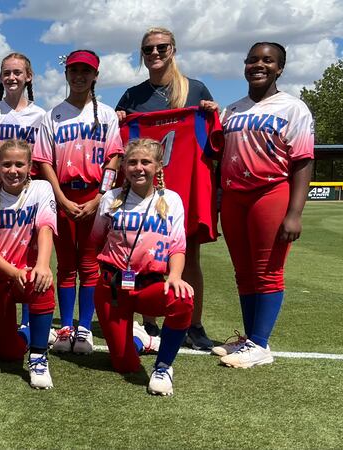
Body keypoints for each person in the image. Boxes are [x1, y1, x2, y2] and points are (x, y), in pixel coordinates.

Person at [116, 27, 219, 349]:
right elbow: (118, 145)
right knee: (144, 256)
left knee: (189, 257)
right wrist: (118, 118)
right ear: (142, 54)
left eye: (161, 47)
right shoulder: (132, 96)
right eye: (148, 49)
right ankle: (149, 322)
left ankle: (193, 324)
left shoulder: (195, 90)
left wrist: (212, 114)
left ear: (173, 49)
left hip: (185, 186)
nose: (155, 53)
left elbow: (215, 142)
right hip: (144, 190)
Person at [214, 42, 314, 368]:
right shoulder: (230, 111)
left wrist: (295, 213)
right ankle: (250, 339)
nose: (259, 65)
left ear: (280, 68)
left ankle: (260, 344)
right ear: (244, 65)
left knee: (267, 271)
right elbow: (218, 157)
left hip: (270, 192)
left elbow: (303, 161)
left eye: (268, 60)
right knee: (244, 273)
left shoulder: (293, 108)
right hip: (234, 196)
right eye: (253, 59)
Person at [34, 49, 123, 354]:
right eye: (74, 70)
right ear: (66, 74)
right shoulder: (53, 115)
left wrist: (100, 197)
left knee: (89, 264)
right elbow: (44, 161)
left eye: (86, 71)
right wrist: (60, 198)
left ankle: (84, 326)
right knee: (66, 266)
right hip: (62, 194)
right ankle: (66, 327)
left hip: (94, 195)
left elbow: (113, 160)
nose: (79, 76)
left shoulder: (107, 114)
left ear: (96, 75)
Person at [91, 138, 194, 396]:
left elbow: (177, 246)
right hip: (113, 289)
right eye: (132, 162)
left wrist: (175, 275)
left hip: (149, 286)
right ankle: (141, 339)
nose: (139, 168)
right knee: (125, 365)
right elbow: (96, 240)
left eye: (146, 162)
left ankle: (163, 366)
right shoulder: (110, 198)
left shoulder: (171, 200)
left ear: (158, 166)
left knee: (182, 299)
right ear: (124, 166)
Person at [0, 52, 47, 344]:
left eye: (18, 72)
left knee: (29, 253)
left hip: (28, 190)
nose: (12, 77)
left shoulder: (40, 115)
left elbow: (43, 159)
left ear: (29, 76)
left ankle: (29, 319)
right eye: (7, 73)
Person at [0, 139, 57, 389]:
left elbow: (45, 228)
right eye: (7, 164)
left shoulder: (41, 188)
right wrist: (12, 271)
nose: (13, 170)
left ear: (30, 166)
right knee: (8, 353)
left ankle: (39, 355)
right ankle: (28, 333)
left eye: (19, 164)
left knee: (42, 281)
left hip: (28, 273)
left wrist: (42, 265)